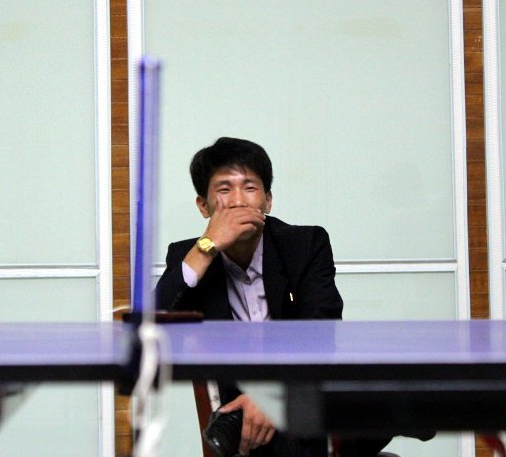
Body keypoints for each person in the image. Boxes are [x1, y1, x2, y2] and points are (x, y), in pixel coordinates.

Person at [155, 137, 390, 457]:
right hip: (235, 406)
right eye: (224, 190)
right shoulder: (189, 256)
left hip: (299, 389)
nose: (238, 201)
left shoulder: (304, 244)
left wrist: (269, 395)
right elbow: (150, 325)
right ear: (203, 206)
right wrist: (207, 245)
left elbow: (321, 329)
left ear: (268, 200)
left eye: (250, 188)